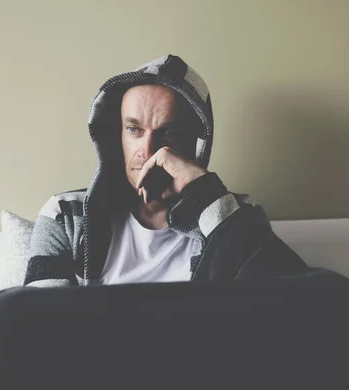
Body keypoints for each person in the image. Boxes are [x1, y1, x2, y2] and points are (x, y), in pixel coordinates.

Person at [23, 54, 308, 287]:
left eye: (168, 133)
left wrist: (206, 193)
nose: (147, 151)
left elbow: (289, 305)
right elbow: (43, 329)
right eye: (134, 129)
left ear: (195, 143)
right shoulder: (65, 216)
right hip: (94, 357)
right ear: (117, 136)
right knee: (3, 312)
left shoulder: (230, 217)